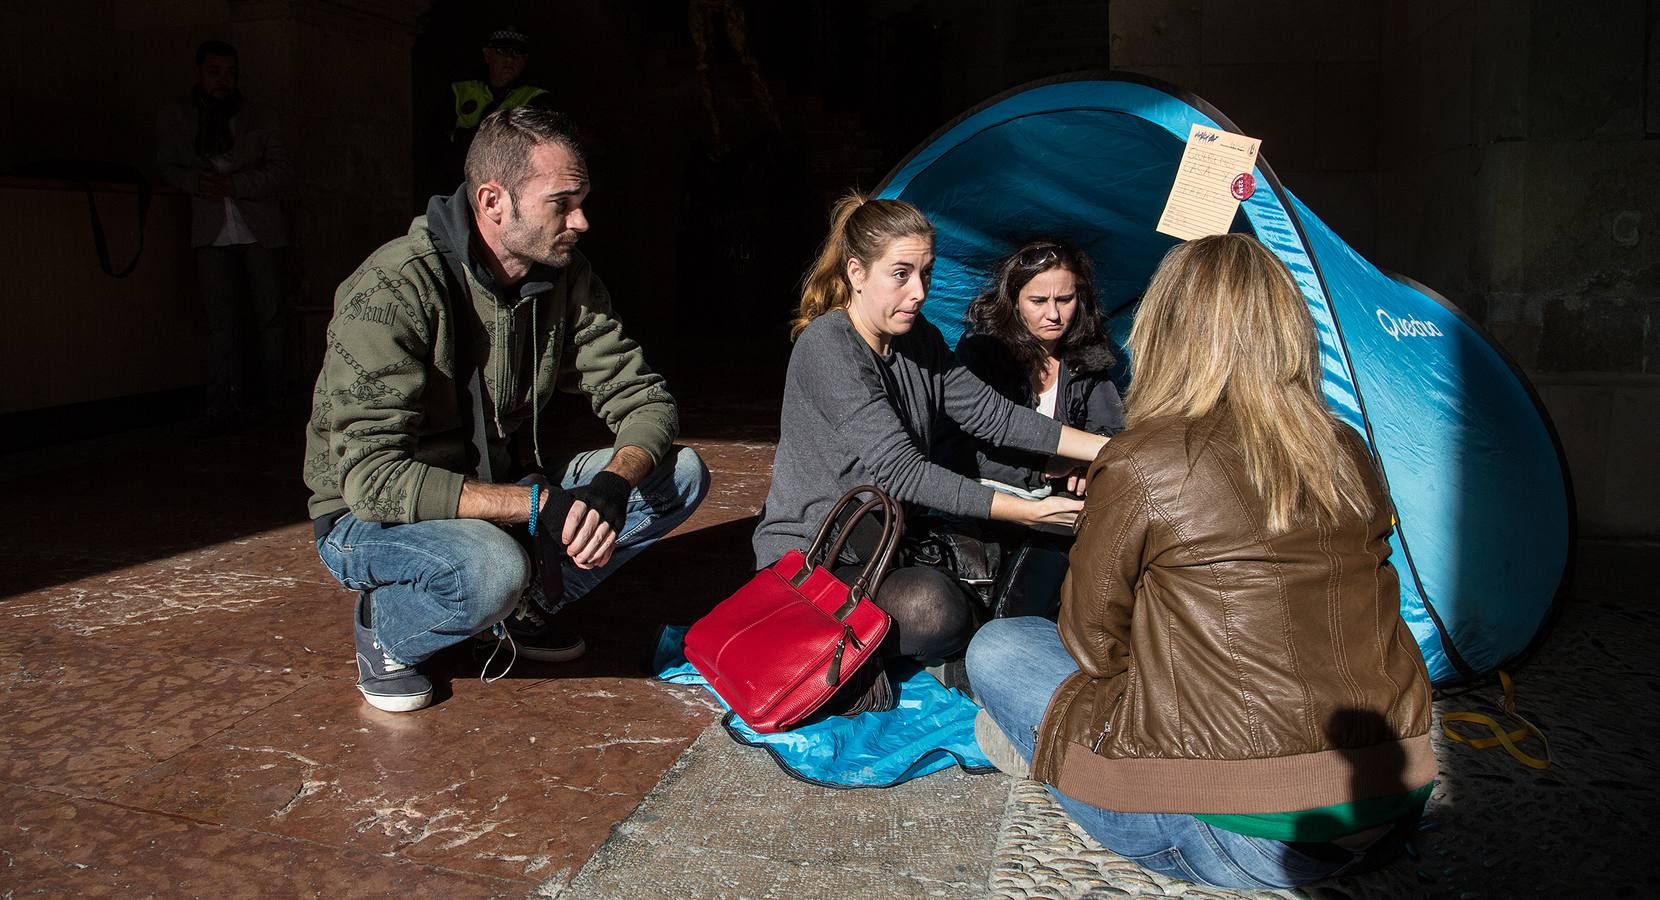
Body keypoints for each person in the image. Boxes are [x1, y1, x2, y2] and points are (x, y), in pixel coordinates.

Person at [966, 233, 1436, 889]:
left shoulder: (1142, 459)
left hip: (1234, 833)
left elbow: (1094, 646)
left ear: (1166, 330)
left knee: (1002, 645)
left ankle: (1036, 747)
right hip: (1391, 804)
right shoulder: (1346, 448)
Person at [304, 107, 709, 713]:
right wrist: (538, 505)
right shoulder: (391, 288)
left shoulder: (566, 277)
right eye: (562, 202)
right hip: (370, 521)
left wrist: (611, 485)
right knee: (490, 568)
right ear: (494, 201)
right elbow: (372, 482)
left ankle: (524, 609)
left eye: (583, 199)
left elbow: (642, 397)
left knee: (678, 475)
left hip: (495, 487)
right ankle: (387, 626)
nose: (582, 220)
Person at [752, 193, 1110, 708]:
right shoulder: (828, 345)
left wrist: (1109, 450)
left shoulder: (919, 340)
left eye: (926, 273)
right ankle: (837, 654)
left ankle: (880, 647)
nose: (918, 292)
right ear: (857, 272)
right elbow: (903, 472)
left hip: (884, 544)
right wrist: (1027, 511)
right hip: (817, 556)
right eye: (900, 274)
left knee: (993, 583)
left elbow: (996, 416)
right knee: (936, 609)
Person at [947, 240, 1126, 617]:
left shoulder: (1088, 358)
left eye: (1065, 299)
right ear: (1013, 301)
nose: (1054, 315)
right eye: (1038, 301)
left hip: (1057, 519)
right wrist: (1044, 464)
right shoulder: (982, 355)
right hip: (985, 513)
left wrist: (1084, 465)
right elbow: (955, 448)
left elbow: (1110, 434)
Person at [157, 39, 295, 425]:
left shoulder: (259, 115)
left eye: (230, 73)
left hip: (259, 229)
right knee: (221, 323)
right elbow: (167, 164)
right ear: (199, 73)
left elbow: (283, 171)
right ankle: (223, 404)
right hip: (211, 230)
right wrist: (197, 183)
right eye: (215, 72)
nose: (223, 80)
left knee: (271, 318)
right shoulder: (178, 116)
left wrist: (235, 186)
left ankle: (276, 400)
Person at [442, 26, 551, 182]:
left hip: (505, 180)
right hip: (457, 178)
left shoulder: (536, 97)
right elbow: (439, 139)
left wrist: (463, 136)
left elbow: (523, 147)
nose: (510, 59)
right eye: (502, 51)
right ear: (487, 54)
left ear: (525, 60)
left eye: (518, 53)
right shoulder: (460, 90)